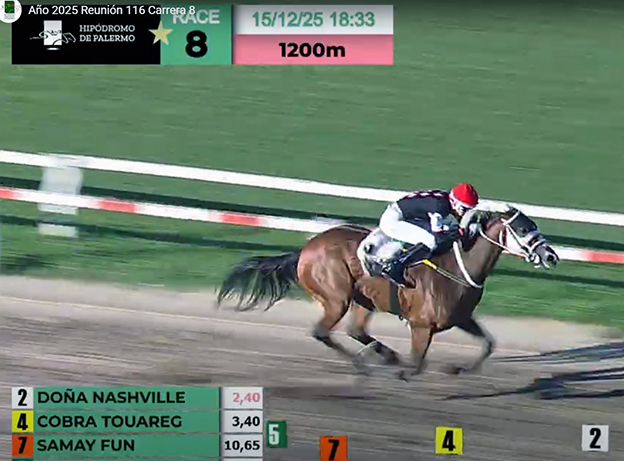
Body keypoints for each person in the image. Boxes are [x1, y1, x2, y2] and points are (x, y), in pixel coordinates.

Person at [377, 182, 480, 286]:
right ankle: (395, 266)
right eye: (464, 209)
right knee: (431, 242)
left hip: (405, 216)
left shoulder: (444, 199)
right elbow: (438, 236)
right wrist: (459, 232)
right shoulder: (440, 207)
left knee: (445, 231)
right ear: (455, 202)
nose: (464, 213)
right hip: (393, 221)